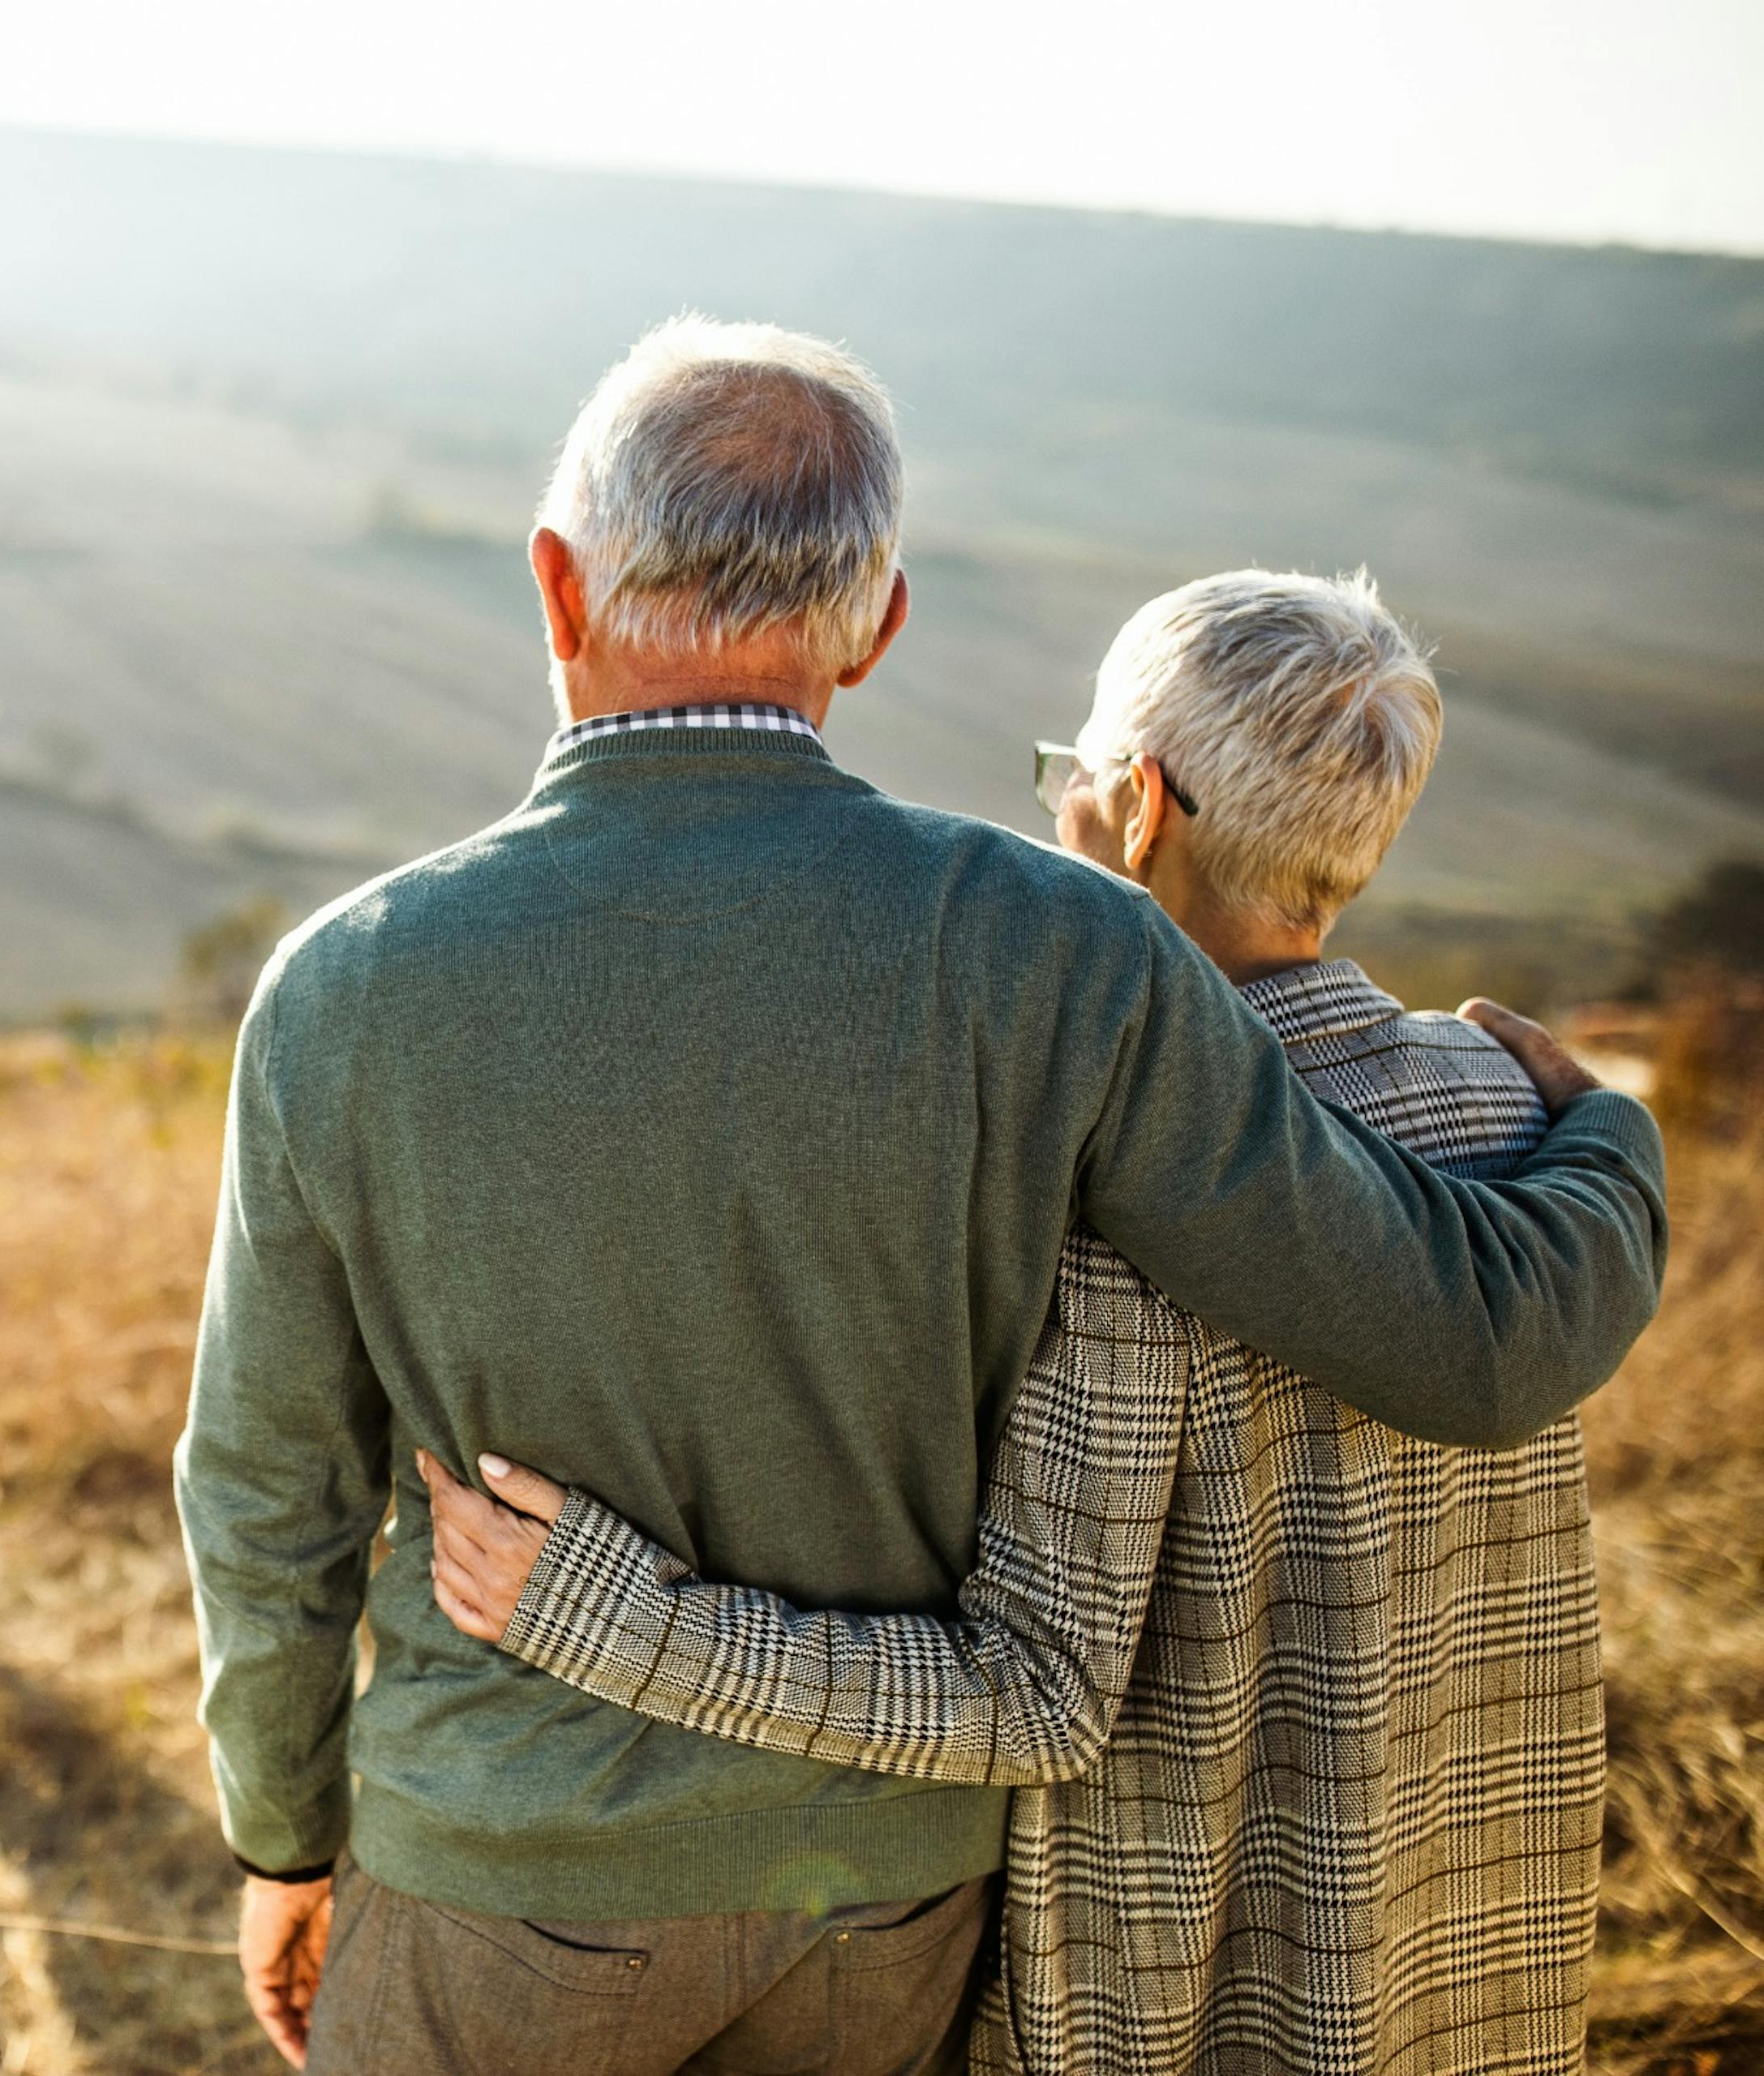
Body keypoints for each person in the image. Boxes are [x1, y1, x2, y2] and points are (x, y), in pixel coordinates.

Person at [171, 320, 1666, 2076]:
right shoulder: (1056, 949)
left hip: (504, 1876)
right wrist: (1609, 1143)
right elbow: (1453, 1335)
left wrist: (283, 1833)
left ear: (557, 588)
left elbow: (270, 1490)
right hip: (883, 1904)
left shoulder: (346, 983)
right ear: (877, 627)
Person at [423, 567, 1620, 2074]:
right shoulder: (1513, 1108)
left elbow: (1039, 1698)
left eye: (1065, 779)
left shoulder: (1095, 1185)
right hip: (1472, 1975)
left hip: (1182, 2000)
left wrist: (615, 1618)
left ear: (1136, 809)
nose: (1057, 812)